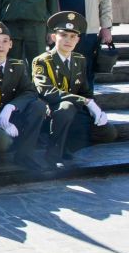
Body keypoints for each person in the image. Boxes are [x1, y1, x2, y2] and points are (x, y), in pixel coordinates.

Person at [32, 12, 117, 168]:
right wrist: (85, 101)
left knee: (108, 132)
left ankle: (67, 147)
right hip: (49, 113)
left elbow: (85, 91)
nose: (68, 40)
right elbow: (47, 91)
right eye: (63, 35)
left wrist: (94, 108)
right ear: (53, 37)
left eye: (72, 36)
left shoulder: (79, 60)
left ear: (78, 40)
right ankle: (52, 155)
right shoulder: (42, 61)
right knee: (67, 107)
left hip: (73, 113)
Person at [0, 22, 47, 171]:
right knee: (2, 141)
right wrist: (0, 119)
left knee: (38, 106)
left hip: (12, 115)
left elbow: (30, 92)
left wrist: (11, 106)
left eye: (4, 41)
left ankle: (24, 155)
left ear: (11, 44)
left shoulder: (18, 66)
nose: (0, 45)